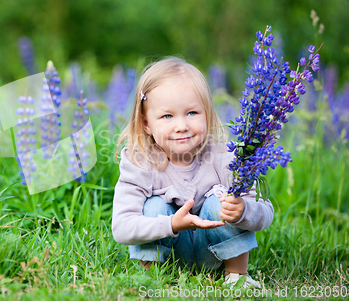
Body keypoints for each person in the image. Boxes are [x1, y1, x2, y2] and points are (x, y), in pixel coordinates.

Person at [112, 57, 274, 289]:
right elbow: (121, 227)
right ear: (146, 124)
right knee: (155, 206)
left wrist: (243, 210)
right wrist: (171, 224)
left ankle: (237, 277)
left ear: (207, 113)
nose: (182, 126)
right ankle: (152, 279)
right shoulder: (140, 162)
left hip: (215, 254)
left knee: (219, 203)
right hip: (169, 256)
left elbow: (266, 212)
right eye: (167, 116)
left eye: (192, 113)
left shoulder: (225, 155)